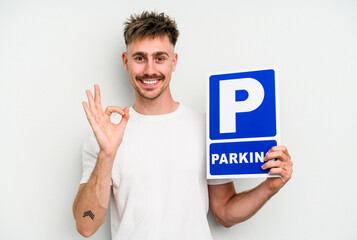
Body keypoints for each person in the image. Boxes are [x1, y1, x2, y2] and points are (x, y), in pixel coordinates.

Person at [72, 11, 293, 239]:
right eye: (139, 58)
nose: (150, 69)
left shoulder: (208, 128)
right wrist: (107, 155)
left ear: (173, 61)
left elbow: (224, 212)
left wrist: (269, 187)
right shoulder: (105, 135)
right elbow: (86, 222)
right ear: (125, 62)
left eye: (160, 58)